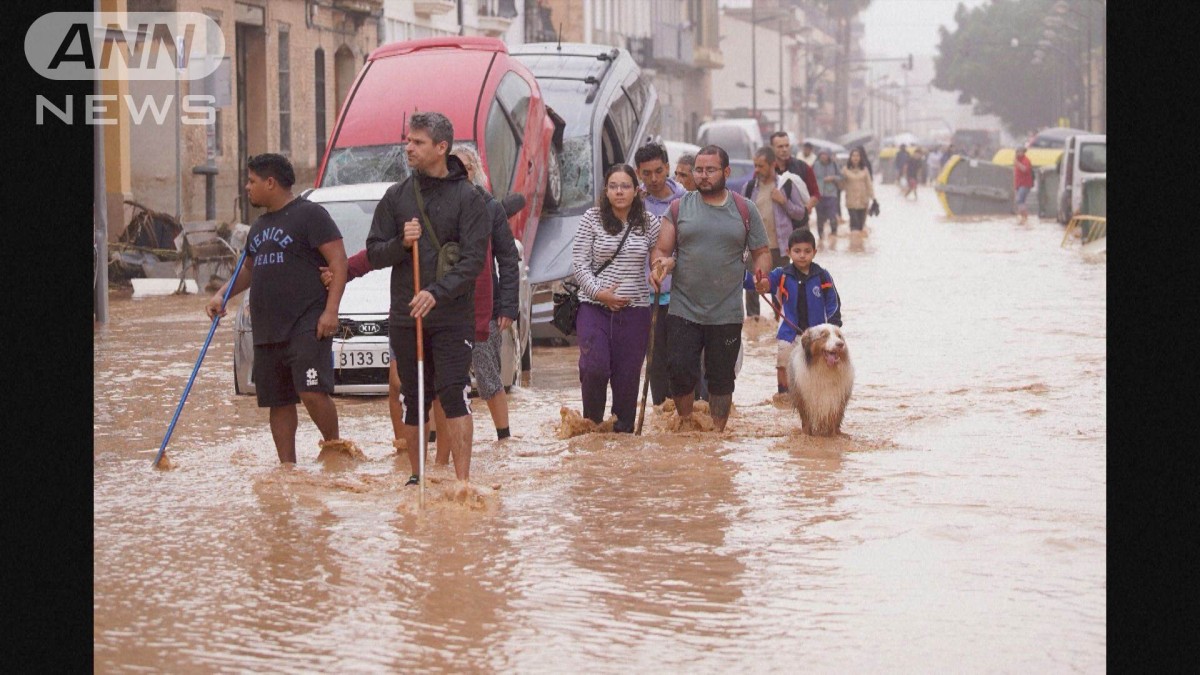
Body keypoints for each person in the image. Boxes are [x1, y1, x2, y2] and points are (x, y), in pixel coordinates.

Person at [365, 111, 489, 488]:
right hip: (407, 315)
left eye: (417, 142)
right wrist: (401, 243)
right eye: (408, 140)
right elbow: (374, 252)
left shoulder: (469, 198)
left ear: (441, 147)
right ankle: (416, 477)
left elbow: (472, 262)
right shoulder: (396, 196)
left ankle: (462, 482)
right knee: (413, 396)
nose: (408, 148)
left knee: (453, 392)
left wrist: (436, 293)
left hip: (452, 316)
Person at [206, 153, 349, 464]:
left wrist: (331, 311)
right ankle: (287, 468)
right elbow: (248, 269)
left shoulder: (310, 215)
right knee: (278, 401)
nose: (247, 187)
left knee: (312, 391)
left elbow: (339, 261)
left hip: (307, 322)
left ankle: (336, 450)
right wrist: (221, 295)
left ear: (270, 183)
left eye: (252, 181)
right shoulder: (259, 227)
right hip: (268, 327)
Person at [650, 145, 772, 433]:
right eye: (699, 170)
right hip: (684, 309)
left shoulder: (745, 209)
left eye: (710, 170)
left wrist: (762, 275)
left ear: (726, 172)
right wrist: (659, 265)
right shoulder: (678, 208)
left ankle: (717, 435)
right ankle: (686, 425)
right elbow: (662, 249)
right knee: (679, 372)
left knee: (721, 380)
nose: (703, 176)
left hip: (726, 312)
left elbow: (762, 252)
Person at [571, 163, 661, 432]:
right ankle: (592, 429)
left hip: (635, 312)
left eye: (625, 186)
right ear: (606, 191)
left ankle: (623, 438)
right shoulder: (592, 218)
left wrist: (658, 270)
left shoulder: (649, 223)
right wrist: (600, 293)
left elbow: (662, 254)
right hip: (594, 308)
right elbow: (579, 265)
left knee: (628, 379)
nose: (619, 192)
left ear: (636, 190)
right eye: (613, 186)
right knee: (594, 368)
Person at [741, 228, 841, 394]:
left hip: (817, 335)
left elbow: (833, 303)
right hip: (789, 333)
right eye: (797, 251)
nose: (802, 255)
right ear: (788, 252)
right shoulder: (781, 275)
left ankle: (816, 396)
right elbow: (763, 283)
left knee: (819, 367)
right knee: (783, 364)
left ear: (814, 252)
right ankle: (783, 396)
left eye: (807, 251)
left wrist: (833, 327)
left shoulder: (823, 276)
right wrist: (747, 278)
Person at [634, 142, 686, 407]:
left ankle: (686, 413)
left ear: (667, 168)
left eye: (658, 171)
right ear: (638, 173)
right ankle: (661, 414)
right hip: (646, 297)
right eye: (646, 173)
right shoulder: (634, 203)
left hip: (681, 296)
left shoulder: (685, 201)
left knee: (682, 360)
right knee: (655, 362)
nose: (653, 179)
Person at [743, 145, 809, 318]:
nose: (757, 170)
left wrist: (784, 201)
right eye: (755, 165)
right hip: (755, 249)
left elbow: (801, 213)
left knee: (780, 290)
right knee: (752, 289)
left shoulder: (786, 186)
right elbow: (741, 217)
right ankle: (754, 325)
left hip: (780, 248)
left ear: (773, 165)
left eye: (761, 166)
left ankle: (779, 324)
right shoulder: (749, 187)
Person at [769, 132, 820, 223]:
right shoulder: (766, 170)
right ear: (772, 148)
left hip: (799, 225)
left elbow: (815, 194)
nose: (784, 149)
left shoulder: (803, 167)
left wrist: (805, 209)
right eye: (780, 146)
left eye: (787, 146)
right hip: (774, 223)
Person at [841, 147, 875, 249]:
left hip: (863, 201)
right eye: (853, 155)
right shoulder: (845, 170)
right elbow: (841, 186)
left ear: (860, 157)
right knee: (854, 225)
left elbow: (869, 184)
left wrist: (874, 198)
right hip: (851, 202)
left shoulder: (865, 169)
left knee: (860, 226)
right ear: (850, 157)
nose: (855, 158)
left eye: (857, 156)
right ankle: (854, 248)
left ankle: (859, 248)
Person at [811, 148, 842, 241]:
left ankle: (834, 236)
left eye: (825, 154)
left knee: (832, 215)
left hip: (831, 194)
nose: (823, 156)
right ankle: (820, 237)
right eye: (821, 154)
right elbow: (809, 177)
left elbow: (841, 177)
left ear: (829, 156)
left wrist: (833, 178)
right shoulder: (815, 165)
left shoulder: (834, 165)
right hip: (819, 194)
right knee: (820, 217)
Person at [1013, 146, 1034, 224]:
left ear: (1023, 152)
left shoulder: (1026, 160)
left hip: (1025, 184)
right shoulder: (1017, 160)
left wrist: (1017, 163)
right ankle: (1023, 218)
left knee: (1020, 200)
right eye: (1017, 152)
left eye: (1020, 152)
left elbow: (1025, 169)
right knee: (1021, 201)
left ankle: (1024, 217)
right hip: (1019, 184)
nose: (1018, 153)